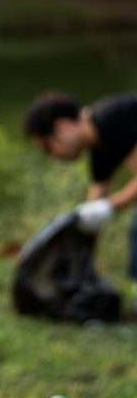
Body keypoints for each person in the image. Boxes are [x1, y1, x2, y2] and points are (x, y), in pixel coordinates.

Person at [24, 91, 137, 298]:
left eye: (48, 147)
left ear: (62, 127)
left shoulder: (109, 122)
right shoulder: (100, 143)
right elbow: (94, 201)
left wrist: (109, 207)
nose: (54, 156)